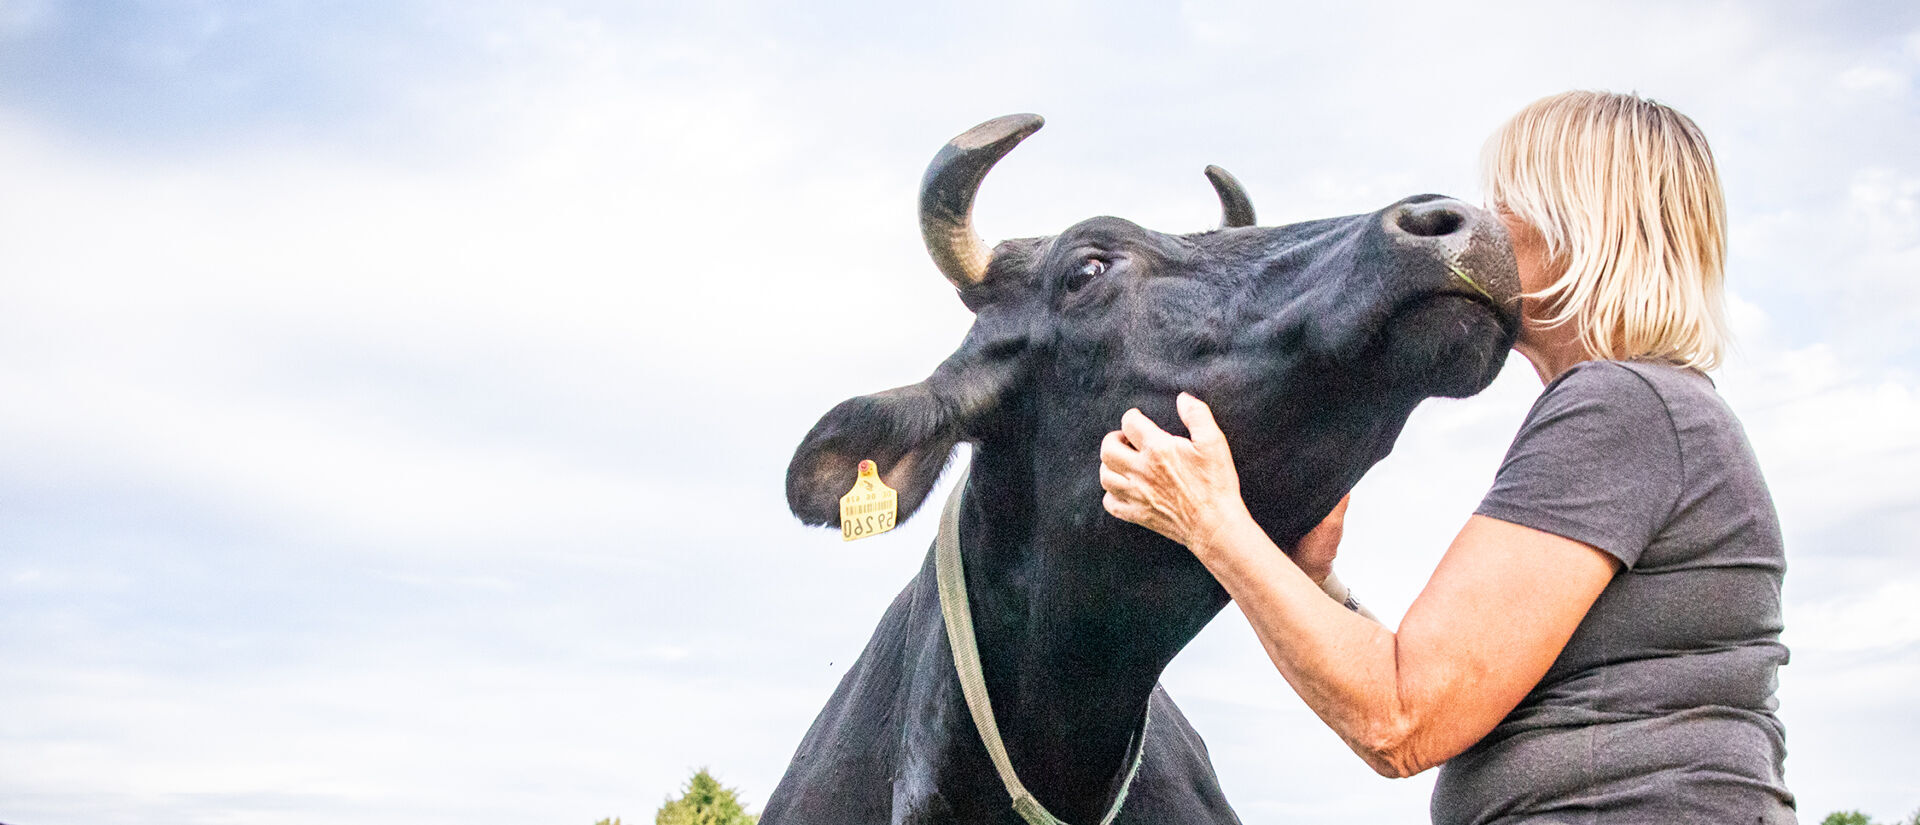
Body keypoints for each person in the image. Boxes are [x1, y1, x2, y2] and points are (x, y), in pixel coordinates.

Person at [1097, 90, 1794, 824]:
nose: (1485, 227)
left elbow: (1400, 717)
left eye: (1507, 203)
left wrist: (1209, 520)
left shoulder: (1623, 405)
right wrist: (1313, 581)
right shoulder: (1653, 411)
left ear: (1578, 224)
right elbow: (1444, 684)